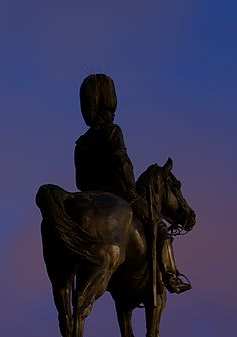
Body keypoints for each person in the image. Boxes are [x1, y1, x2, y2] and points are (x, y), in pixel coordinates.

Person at [74, 73, 191, 294]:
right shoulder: (112, 131)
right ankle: (171, 276)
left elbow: (80, 181)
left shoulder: (81, 143)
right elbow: (123, 163)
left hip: (90, 197)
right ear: (108, 100)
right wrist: (131, 191)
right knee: (160, 227)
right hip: (121, 195)